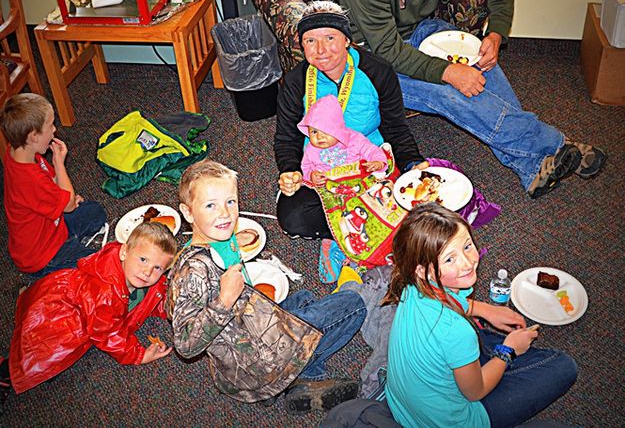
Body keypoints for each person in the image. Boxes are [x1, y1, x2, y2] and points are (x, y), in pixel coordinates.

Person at [331, 0, 606, 199]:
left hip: (416, 33)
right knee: (450, 90)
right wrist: (448, 73)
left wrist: (494, 33)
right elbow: (389, 51)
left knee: (475, 60)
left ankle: (533, 166)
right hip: (366, 61)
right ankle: (556, 146)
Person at [166, 159, 366, 414]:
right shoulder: (194, 272)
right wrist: (225, 300)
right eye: (210, 206)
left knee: (303, 298)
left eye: (230, 202)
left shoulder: (214, 240)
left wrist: (234, 250)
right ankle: (296, 378)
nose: (225, 214)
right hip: (256, 364)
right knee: (353, 304)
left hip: (238, 354)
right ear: (187, 212)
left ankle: (289, 378)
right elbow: (184, 345)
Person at [383, 204, 577, 427]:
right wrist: (509, 350)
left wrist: (485, 310)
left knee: (477, 342)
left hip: (404, 406)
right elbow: (476, 392)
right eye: (449, 259)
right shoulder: (456, 331)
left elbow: (448, 303)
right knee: (563, 366)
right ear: (423, 270)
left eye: (467, 246)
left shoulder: (412, 285)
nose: (467, 263)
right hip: (454, 421)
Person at [275, 0, 426, 240]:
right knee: (293, 218)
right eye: (310, 41)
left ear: (346, 39)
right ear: (302, 46)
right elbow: (286, 137)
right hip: (320, 171)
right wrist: (290, 171)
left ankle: (346, 232)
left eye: (330, 38)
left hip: (367, 164)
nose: (321, 50)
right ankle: (365, 229)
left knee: (420, 201)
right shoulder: (295, 82)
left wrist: (412, 163)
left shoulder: (378, 71)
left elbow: (395, 127)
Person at [0, 222, 176, 411]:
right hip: (60, 320)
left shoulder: (141, 278)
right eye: (143, 259)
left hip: (75, 300)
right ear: (124, 252)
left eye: (157, 267)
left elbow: (155, 298)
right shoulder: (104, 296)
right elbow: (107, 334)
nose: (148, 271)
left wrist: (175, 310)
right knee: (36, 359)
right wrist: (138, 355)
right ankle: (4, 374)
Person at [0, 93, 107, 278]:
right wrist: (59, 162)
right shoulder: (28, 179)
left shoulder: (18, 152)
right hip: (43, 255)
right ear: (33, 136)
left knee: (96, 212)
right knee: (100, 266)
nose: (54, 129)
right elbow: (69, 205)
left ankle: (71, 249)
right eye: (50, 126)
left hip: (55, 228)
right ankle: (42, 279)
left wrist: (66, 198)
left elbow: (54, 186)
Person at [298, 94, 387, 185]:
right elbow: (305, 168)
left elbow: (371, 150)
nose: (319, 137)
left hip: (361, 180)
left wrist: (378, 162)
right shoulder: (310, 149)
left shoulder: (354, 139)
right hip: (331, 189)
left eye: (325, 131)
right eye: (314, 132)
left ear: (337, 129)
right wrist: (311, 176)